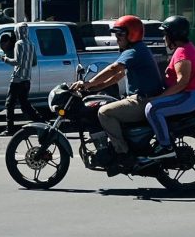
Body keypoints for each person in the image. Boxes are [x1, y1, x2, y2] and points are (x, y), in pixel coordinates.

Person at [69, 15, 164, 176]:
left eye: (120, 34)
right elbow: (118, 76)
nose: (117, 38)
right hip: (140, 98)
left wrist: (88, 83)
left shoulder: (135, 51)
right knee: (106, 104)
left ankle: (123, 154)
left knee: (104, 112)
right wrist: (94, 88)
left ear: (131, 34)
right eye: (116, 34)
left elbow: (114, 69)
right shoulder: (136, 50)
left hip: (142, 100)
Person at [144, 15, 195, 160]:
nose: (163, 38)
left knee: (152, 108)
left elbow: (182, 83)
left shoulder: (182, 52)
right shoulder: (188, 48)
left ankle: (165, 146)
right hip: (192, 95)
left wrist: (159, 97)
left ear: (173, 35)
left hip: (189, 96)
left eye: (165, 34)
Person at [0, 23, 44, 136]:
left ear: (17, 32)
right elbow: (34, 62)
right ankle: (42, 122)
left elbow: (17, 62)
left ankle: (9, 129)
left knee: (9, 104)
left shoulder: (19, 44)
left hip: (17, 78)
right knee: (25, 104)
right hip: (27, 78)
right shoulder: (31, 44)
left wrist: (5, 59)